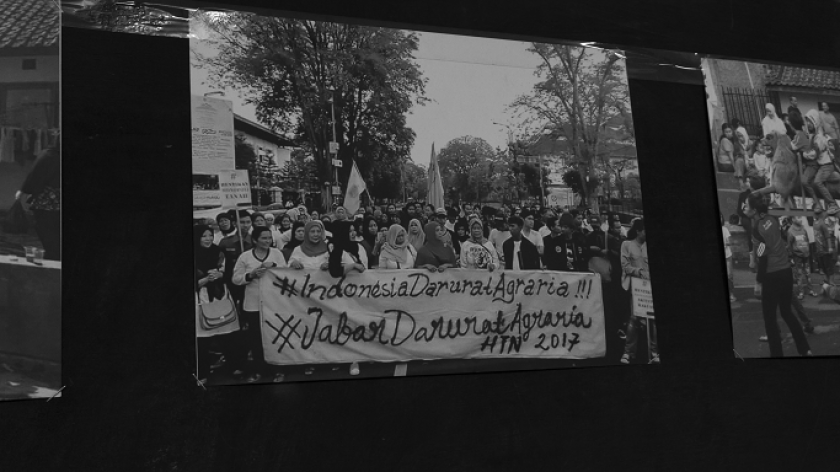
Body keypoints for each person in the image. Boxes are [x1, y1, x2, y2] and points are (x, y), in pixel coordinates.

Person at [744, 193, 812, 357]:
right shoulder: (772, 219)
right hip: (786, 272)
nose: (743, 208)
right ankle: (805, 349)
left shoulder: (756, 229)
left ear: (753, 210)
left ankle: (777, 356)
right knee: (787, 312)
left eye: (746, 205)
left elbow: (762, 254)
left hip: (772, 275)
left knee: (770, 319)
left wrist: (758, 281)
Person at [232, 226, 287, 383]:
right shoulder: (245, 256)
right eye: (263, 238)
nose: (267, 241)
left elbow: (287, 273)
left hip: (274, 303)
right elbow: (235, 279)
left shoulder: (277, 254)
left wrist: (274, 267)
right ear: (255, 240)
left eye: (269, 238)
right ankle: (259, 370)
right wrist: (251, 274)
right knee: (256, 338)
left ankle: (278, 370)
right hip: (253, 304)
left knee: (276, 336)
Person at [194, 224, 238, 380]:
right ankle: (203, 372)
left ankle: (233, 366)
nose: (208, 239)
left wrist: (220, 276)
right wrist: (204, 280)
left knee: (227, 333)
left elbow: (231, 273)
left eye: (210, 235)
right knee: (203, 337)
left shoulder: (219, 252)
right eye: (204, 236)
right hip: (201, 298)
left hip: (222, 296)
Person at [620, 218, 658, 364]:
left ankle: (654, 352)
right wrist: (639, 272)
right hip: (635, 288)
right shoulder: (627, 245)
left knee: (653, 320)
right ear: (638, 231)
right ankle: (628, 352)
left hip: (649, 288)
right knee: (634, 319)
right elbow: (625, 267)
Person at [16, 144, 60, 261]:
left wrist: (23, 190)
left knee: (46, 228)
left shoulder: (48, 155)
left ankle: (53, 256)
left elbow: (35, 173)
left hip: (48, 201)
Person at [787, 217, 816, 300]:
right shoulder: (790, 231)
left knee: (808, 273)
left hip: (806, 255)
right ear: (793, 219)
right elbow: (789, 245)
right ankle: (801, 292)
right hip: (797, 256)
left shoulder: (803, 228)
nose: (800, 220)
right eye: (798, 218)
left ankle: (810, 290)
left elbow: (807, 240)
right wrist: (791, 257)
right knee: (799, 274)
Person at [814, 208, 837, 285]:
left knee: (830, 266)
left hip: (827, 247)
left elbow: (828, 237)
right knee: (824, 266)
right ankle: (827, 281)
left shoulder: (823, 223)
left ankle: (831, 281)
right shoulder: (816, 223)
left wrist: (830, 247)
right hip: (820, 249)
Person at [721, 214, 737, 302]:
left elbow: (730, 242)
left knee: (729, 275)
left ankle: (731, 294)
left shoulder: (725, 229)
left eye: (720, 217)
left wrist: (726, 243)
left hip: (727, 255)